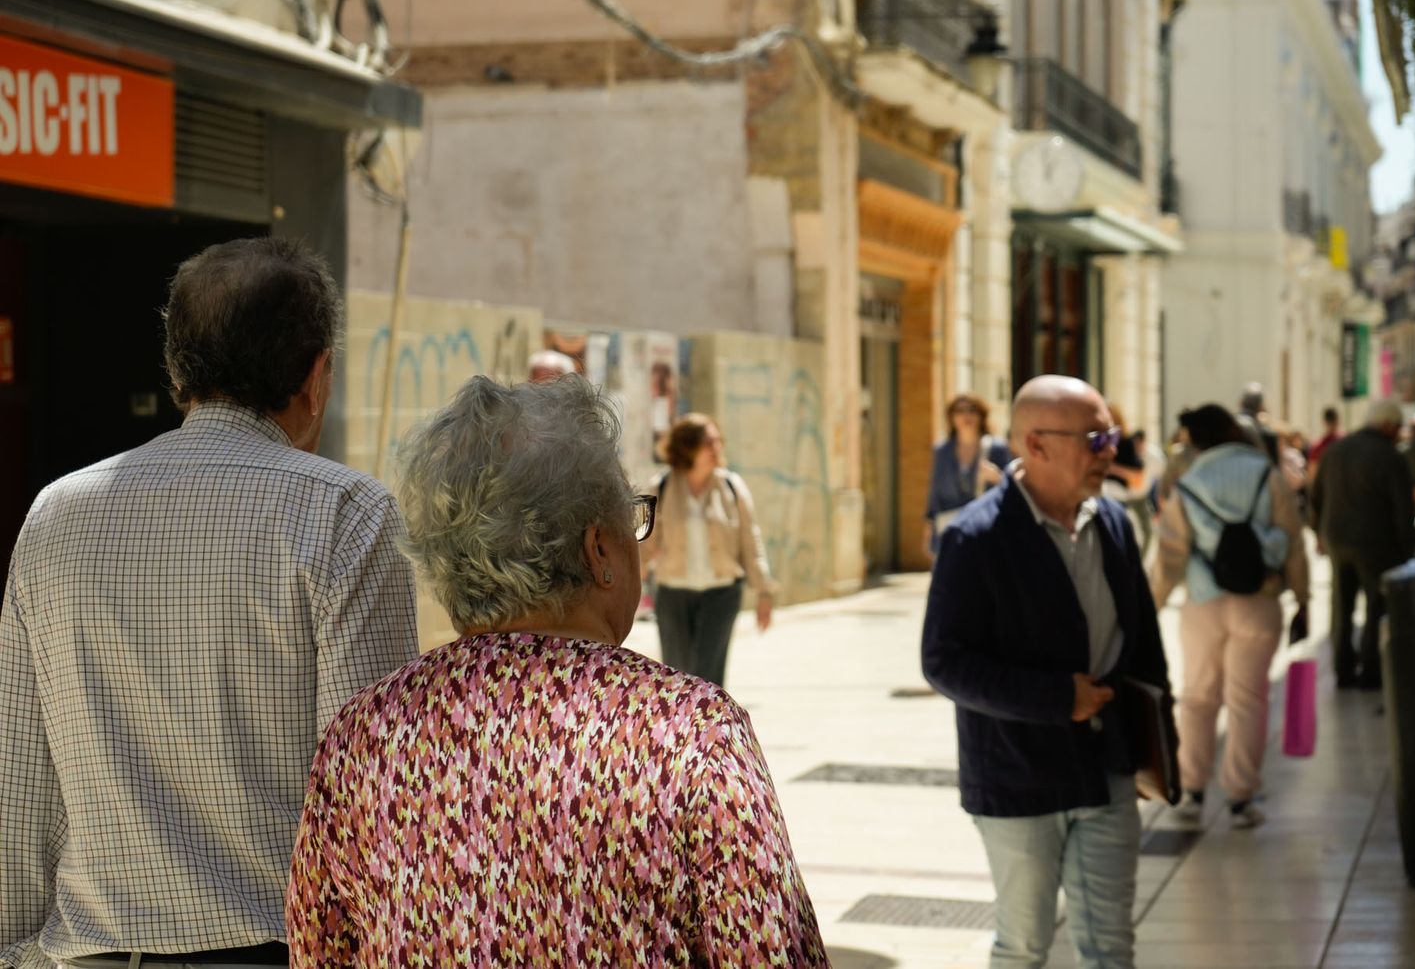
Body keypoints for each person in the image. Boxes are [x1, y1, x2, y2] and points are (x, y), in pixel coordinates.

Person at [287, 376, 825, 965]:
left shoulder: (363, 735)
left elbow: (319, 950)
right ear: (599, 551)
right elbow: (771, 948)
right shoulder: (691, 732)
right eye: (634, 520)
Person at [1, 238, 419, 969]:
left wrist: (15, 954)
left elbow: (19, 787)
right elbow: (368, 800)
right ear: (318, 376)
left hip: (86, 956)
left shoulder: (55, 515)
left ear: (177, 370)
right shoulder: (345, 513)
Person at [922, 375, 1172, 969]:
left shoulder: (1114, 524)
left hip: (1106, 771)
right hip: (1016, 775)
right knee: (1024, 947)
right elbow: (943, 661)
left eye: (1110, 435)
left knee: (1111, 947)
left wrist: (1160, 745)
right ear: (1035, 445)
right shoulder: (974, 537)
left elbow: (1145, 648)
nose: (1111, 450)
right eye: (1095, 437)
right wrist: (1057, 697)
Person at [1151, 405, 1309, 829]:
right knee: (1249, 700)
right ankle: (1240, 797)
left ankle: (1191, 791)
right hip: (1259, 602)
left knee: (1198, 699)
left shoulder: (1190, 483)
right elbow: (1293, 541)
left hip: (1203, 602)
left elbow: (1169, 556)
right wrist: (1304, 596)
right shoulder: (1268, 476)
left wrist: (1151, 606)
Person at [639, 413, 776, 686]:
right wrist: (631, 588)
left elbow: (751, 541)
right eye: (708, 443)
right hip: (673, 594)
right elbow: (645, 543)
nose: (717, 449)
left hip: (721, 593)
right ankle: (679, 730)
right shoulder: (662, 486)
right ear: (687, 447)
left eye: (718, 441)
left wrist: (764, 591)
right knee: (676, 679)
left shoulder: (731, 486)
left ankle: (710, 729)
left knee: (707, 679)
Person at [1307, 400, 1415, 689]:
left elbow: (1315, 496)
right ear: (1388, 425)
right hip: (1375, 542)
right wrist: (1407, 550)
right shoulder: (1389, 456)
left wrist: (1318, 531)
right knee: (1376, 605)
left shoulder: (1336, 450)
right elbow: (1404, 509)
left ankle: (1342, 669)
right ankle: (1370, 669)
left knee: (1341, 606)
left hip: (1337, 540)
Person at [924, 393, 1013, 556]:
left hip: (987, 526)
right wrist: (930, 524)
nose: (966, 416)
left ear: (981, 415)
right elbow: (935, 489)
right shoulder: (942, 450)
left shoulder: (997, 448)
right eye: (960, 411)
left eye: (972, 410)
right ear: (951, 417)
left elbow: (1014, 487)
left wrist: (997, 477)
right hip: (950, 525)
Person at [1236, 382, 1282, 465]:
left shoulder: (1225, 429)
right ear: (1261, 407)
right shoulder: (1268, 434)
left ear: (1240, 402)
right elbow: (1274, 470)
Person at [1308, 406, 1343, 474]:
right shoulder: (1346, 443)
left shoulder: (1318, 446)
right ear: (1338, 422)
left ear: (1325, 422)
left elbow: (1312, 473)